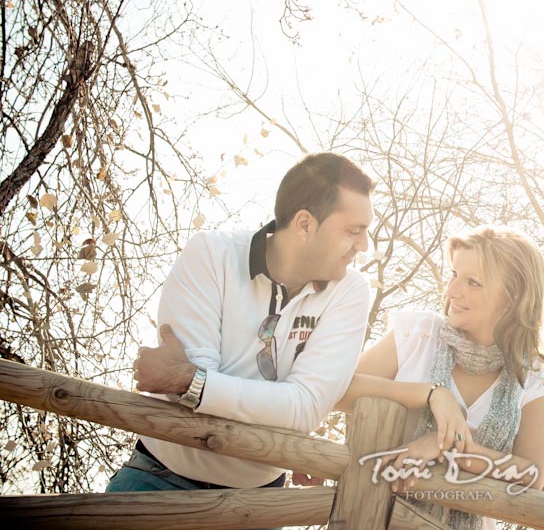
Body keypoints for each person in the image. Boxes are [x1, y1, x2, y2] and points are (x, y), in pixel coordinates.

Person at [106, 152, 375, 494]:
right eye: (354, 231)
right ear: (305, 224)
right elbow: (195, 410)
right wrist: (275, 406)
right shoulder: (211, 254)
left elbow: (306, 408)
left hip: (257, 499)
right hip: (159, 476)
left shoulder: (350, 291)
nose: (364, 246)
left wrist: (190, 381)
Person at [337, 226, 544, 530]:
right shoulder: (418, 335)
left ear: (513, 296)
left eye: (473, 282)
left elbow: (531, 476)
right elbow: (339, 391)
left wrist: (450, 447)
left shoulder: (534, 377)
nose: (453, 291)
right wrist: (432, 394)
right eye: (454, 275)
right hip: (371, 518)